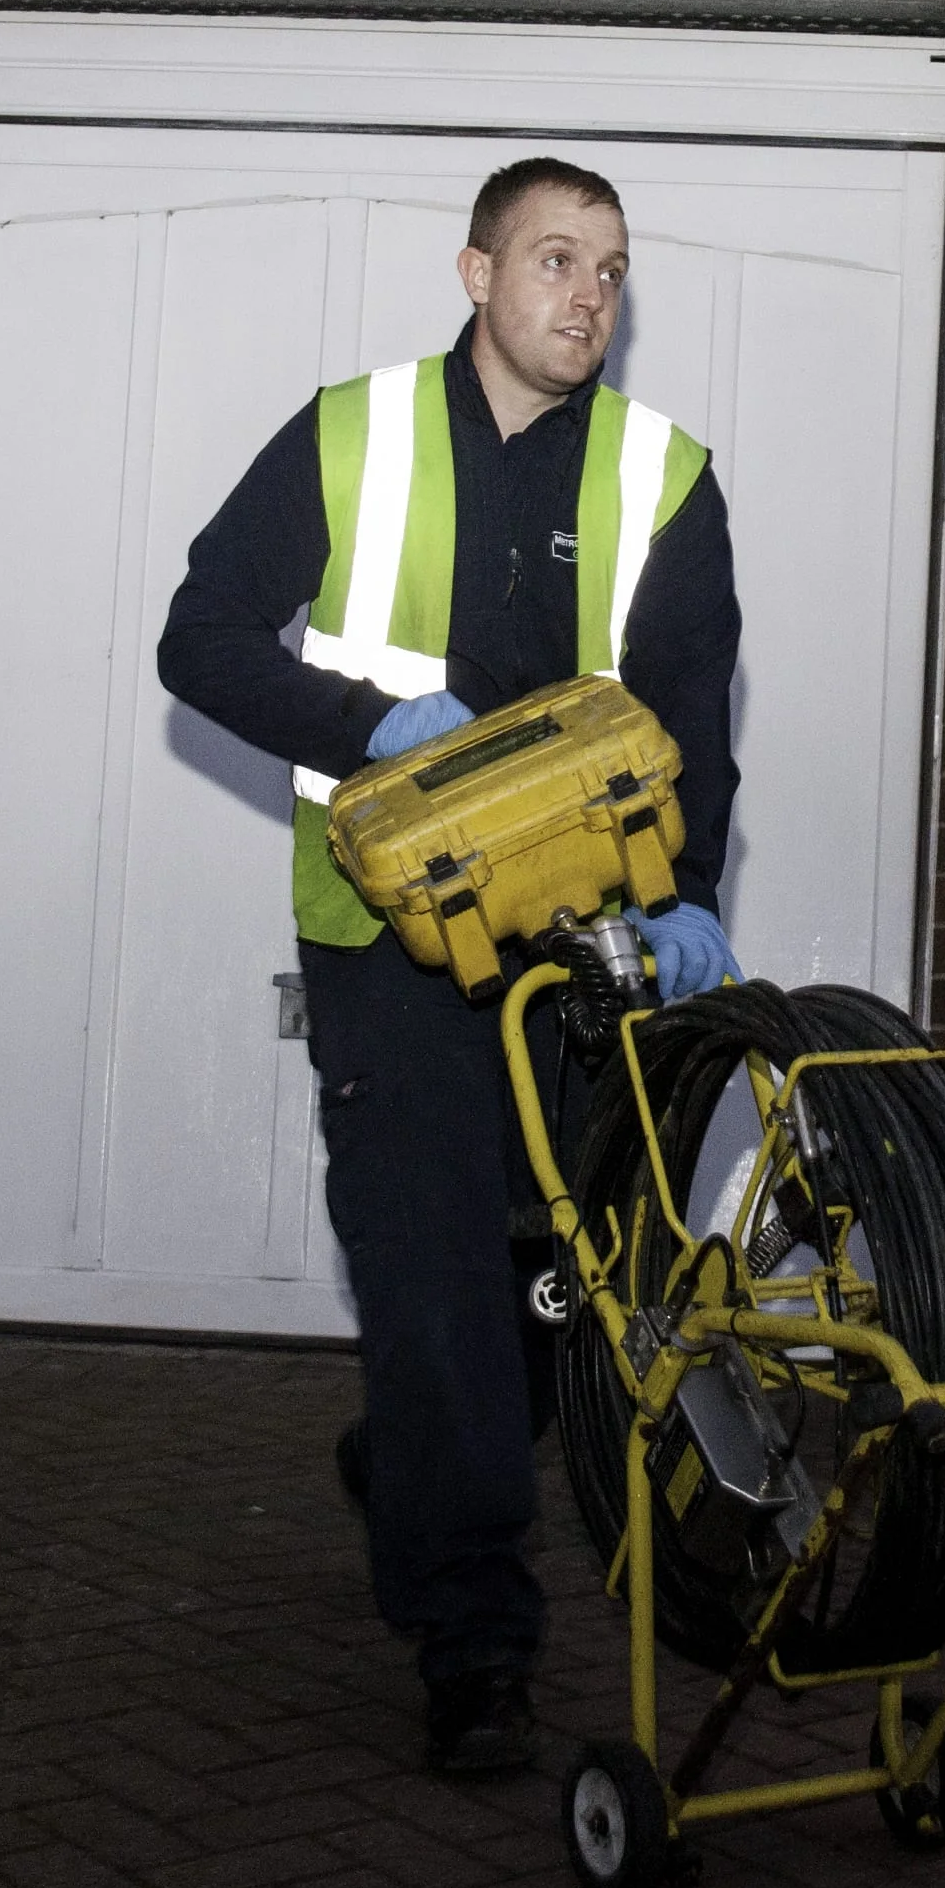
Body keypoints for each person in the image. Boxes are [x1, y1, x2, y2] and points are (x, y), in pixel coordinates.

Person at [155, 157, 743, 1777]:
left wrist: (686, 896)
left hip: (586, 942)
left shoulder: (662, 478)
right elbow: (197, 644)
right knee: (430, 1282)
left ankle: (412, 1452)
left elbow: (695, 723)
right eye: (556, 259)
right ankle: (474, 1637)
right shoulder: (349, 435)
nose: (587, 296)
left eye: (612, 270)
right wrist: (365, 731)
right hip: (390, 940)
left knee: (548, 1290)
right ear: (477, 272)